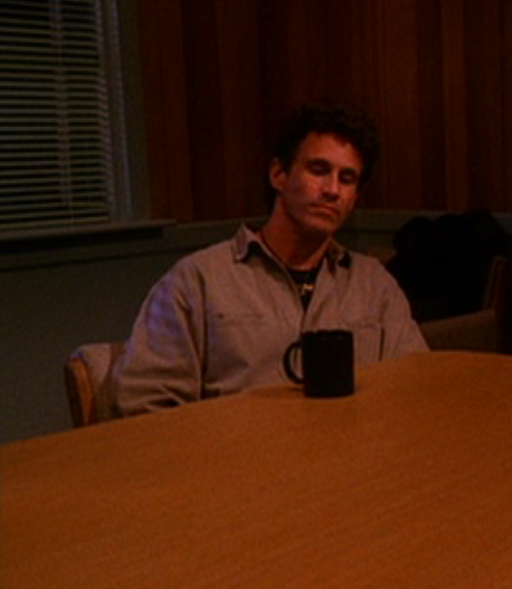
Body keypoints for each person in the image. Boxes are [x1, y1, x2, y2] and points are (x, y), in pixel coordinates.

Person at [113, 101, 428, 414]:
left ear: (355, 197)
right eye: (319, 170)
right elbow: (144, 406)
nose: (332, 190)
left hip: (354, 443)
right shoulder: (198, 280)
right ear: (279, 174)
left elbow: (415, 386)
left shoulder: (373, 285)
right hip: (238, 445)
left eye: (347, 179)